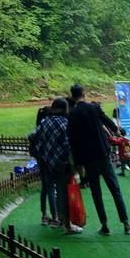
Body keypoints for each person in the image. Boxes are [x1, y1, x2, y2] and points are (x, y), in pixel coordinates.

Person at [67, 84, 130, 235]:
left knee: (96, 192)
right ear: (84, 94)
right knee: (115, 189)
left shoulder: (72, 114)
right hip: (103, 155)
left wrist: (78, 163)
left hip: (88, 159)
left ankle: (104, 225)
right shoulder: (94, 107)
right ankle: (126, 224)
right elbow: (107, 122)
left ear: (72, 97)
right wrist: (117, 131)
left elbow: (73, 140)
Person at [32, 98, 80, 234]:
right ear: (65, 109)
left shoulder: (44, 122)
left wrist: (43, 152)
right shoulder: (65, 123)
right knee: (63, 193)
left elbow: (33, 136)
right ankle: (67, 225)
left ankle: (58, 219)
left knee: (51, 191)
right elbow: (68, 145)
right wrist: (73, 165)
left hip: (47, 163)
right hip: (62, 164)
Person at [31, 105, 58, 226]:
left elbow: (31, 137)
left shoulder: (39, 126)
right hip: (50, 160)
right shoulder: (47, 125)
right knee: (51, 188)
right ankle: (54, 216)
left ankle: (44, 215)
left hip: (41, 160)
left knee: (45, 188)